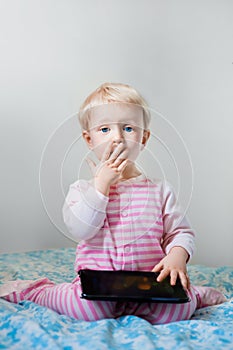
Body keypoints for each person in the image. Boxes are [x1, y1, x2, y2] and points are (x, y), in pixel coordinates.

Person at [0, 82, 226, 324]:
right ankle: (38, 290)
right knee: (88, 310)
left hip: (149, 283)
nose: (117, 137)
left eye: (128, 128)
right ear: (89, 139)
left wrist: (178, 255)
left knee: (176, 312)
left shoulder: (160, 190)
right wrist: (101, 186)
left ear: (144, 138)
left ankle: (195, 295)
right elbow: (81, 229)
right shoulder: (82, 190)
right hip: (99, 285)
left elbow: (180, 232)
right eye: (105, 129)